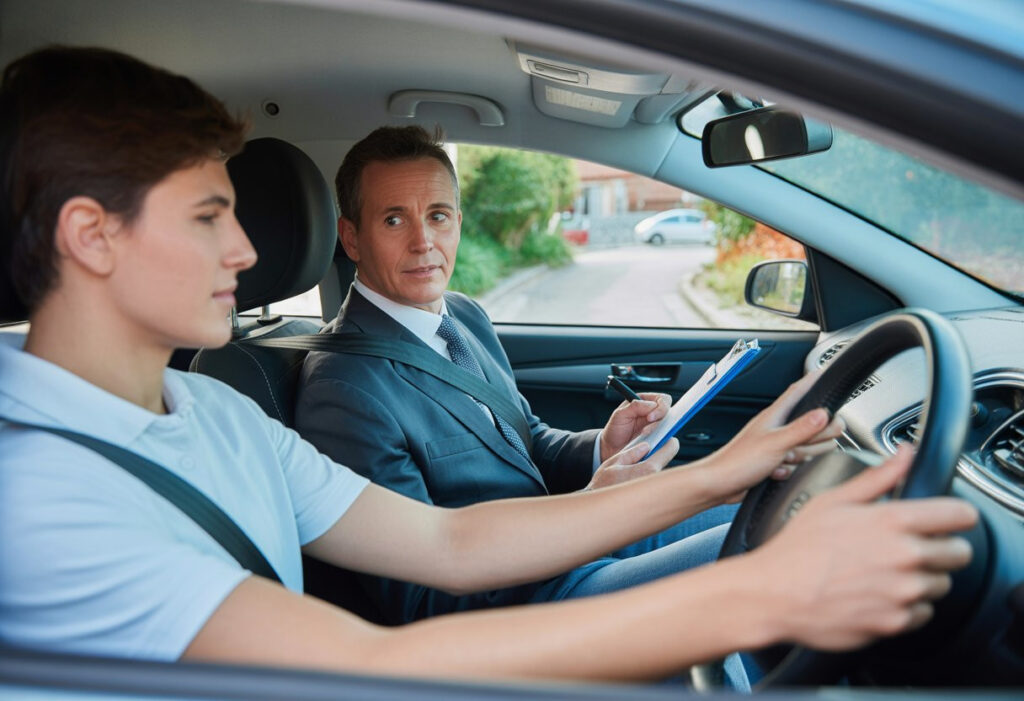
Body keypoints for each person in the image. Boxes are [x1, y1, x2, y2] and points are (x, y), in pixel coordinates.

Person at [0, 46, 977, 685]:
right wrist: (769, 589)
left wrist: (721, 472)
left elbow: (450, 540)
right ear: (91, 236)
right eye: (209, 217)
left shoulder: (214, 411)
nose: (248, 250)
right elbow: (369, 663)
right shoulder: (39, 499)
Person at [296, 125, 748, 625]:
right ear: (352, 238)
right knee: (753, 554)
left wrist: (602, 448)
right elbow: (423, 601)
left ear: (458, 223)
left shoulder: (463, 316)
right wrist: (591, 509)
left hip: (573, 546)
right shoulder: (344, 388)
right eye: (394, 220)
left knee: (763, 512)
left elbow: (524, 441)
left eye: (438, 216)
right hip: (527, 607)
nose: (423, 242)